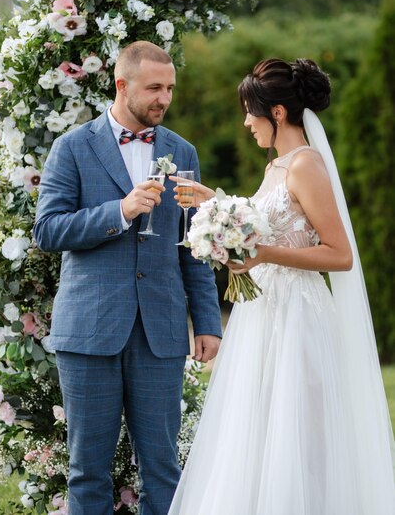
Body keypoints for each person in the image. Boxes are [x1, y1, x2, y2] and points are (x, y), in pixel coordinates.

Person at [168, 58, 395, 514]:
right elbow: (265, 226)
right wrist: (220, 210)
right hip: (261, 314)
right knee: (256, 428)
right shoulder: (276, 167)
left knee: (298, 431)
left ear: (275, 113)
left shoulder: (306, 164)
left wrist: (265, 255)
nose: (245, 122)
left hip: (298, 315)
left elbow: (339, 254)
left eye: (250, 111)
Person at [33, 41, 222, 515]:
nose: (164, 98)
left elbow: (194, 246)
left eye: (171, 89)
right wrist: (119, 211)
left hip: (159, 334)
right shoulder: (72, 147)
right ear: (122, 85)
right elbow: (48, 230)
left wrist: (206, 322)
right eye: (154, 88)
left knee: (163, 467)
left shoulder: (182, 151)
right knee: (87, 471)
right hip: (89, 332)